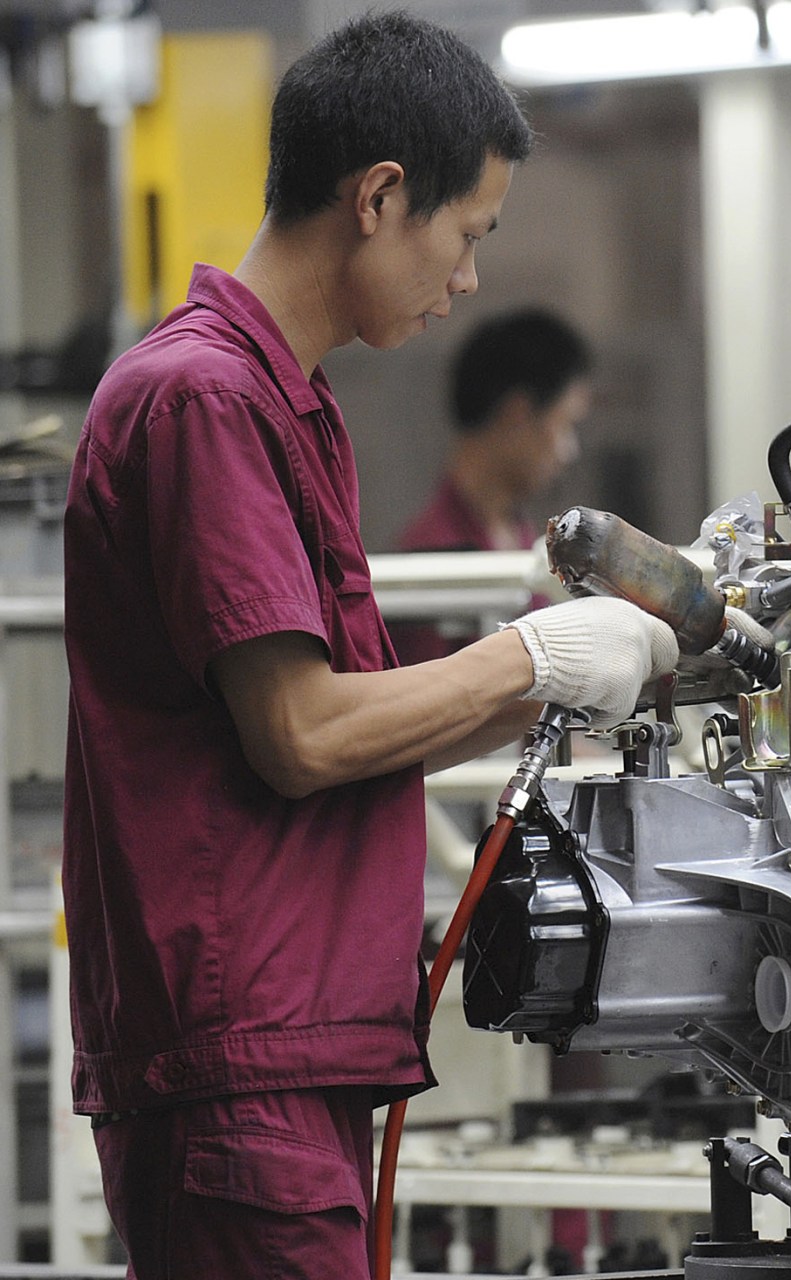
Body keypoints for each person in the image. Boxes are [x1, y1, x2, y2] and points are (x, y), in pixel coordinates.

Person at [61, 14, 679, 1278]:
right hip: (239, 1070)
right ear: (381, 196)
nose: (463, 281)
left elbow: (347, 708)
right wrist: (536, 659)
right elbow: (303, 732)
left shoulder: (285, 402)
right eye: (465, 238)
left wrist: (534, 656)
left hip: (294, 1055)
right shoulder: (202, 399)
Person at [391, 307, 591, 663]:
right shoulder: (432, 558)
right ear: (517, 413)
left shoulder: (521, 537)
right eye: (564, 425)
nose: (569, 450)